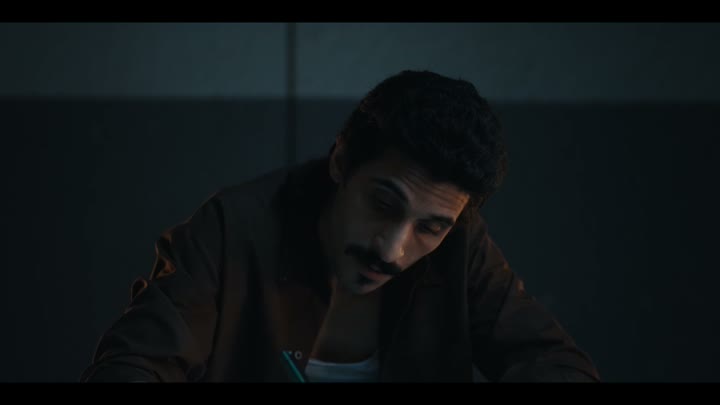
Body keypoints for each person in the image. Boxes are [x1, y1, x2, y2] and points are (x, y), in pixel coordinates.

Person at [81, 70, 599, 382]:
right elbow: (135, 365)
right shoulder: (232, 229)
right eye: (383, 203)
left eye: (430, 227)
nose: (392, 249)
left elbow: (551, 362)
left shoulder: (460, 244)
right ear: (341, 162)